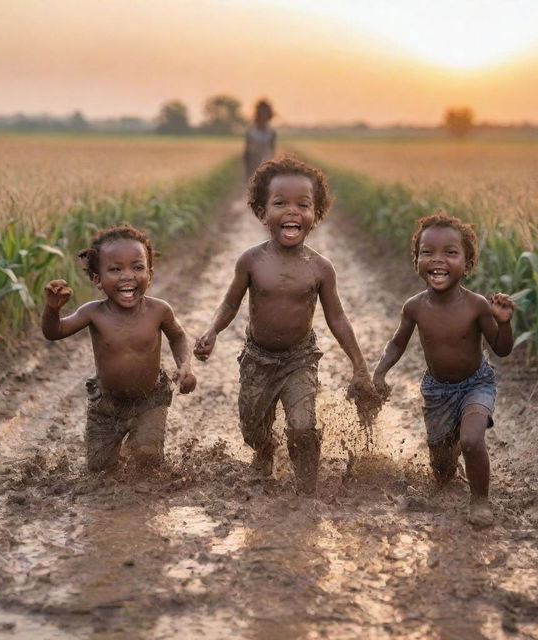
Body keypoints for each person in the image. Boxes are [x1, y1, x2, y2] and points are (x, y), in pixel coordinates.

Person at [194, 155, 376, 494]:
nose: (292, 211)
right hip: (257, 359)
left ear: (315, 215)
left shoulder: (321, 268)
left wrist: (359, 364)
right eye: (280, 203)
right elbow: (230, 302)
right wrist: (212, 330)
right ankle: (263, 452)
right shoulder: (251, 261)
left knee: (303, 425)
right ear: (263, 214)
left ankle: (307, 487)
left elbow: (337, 317)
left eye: (303, 204)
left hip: (299, 359)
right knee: (252, 427)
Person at [372, 210, 515, 526]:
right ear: (416, 262)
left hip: (476, 383)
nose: (438, 260)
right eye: (428, 252)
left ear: (468, 264)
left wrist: (504, 324)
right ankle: (449, 471)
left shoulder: (477, 305)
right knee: (442, 465)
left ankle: (479, 500)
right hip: (437, 390)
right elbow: (397, 343)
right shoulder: (414, 307)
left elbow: (502, 350)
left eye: (450, 253)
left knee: (472, 440)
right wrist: (380, 371)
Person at [42, 224, 197, 472]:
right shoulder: (93, 312)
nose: (127, 275)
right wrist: (52, 309)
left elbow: (179, 337)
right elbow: (54, 332)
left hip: (150, 401)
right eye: (115, 269)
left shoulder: (159, 310)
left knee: (148, 461)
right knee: (100, 470)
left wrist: (184, 366)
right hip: (106, 406)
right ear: (97, 279)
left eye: (137, 267)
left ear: (150, 273)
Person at [243, 99, 276, 181]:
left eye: (265, 112)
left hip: (266, 166)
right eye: (261, 112)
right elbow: (246, 151)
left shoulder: (272, 132)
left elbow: (272, 151)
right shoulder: (251, 131)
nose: (263, 115)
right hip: (252, 166)